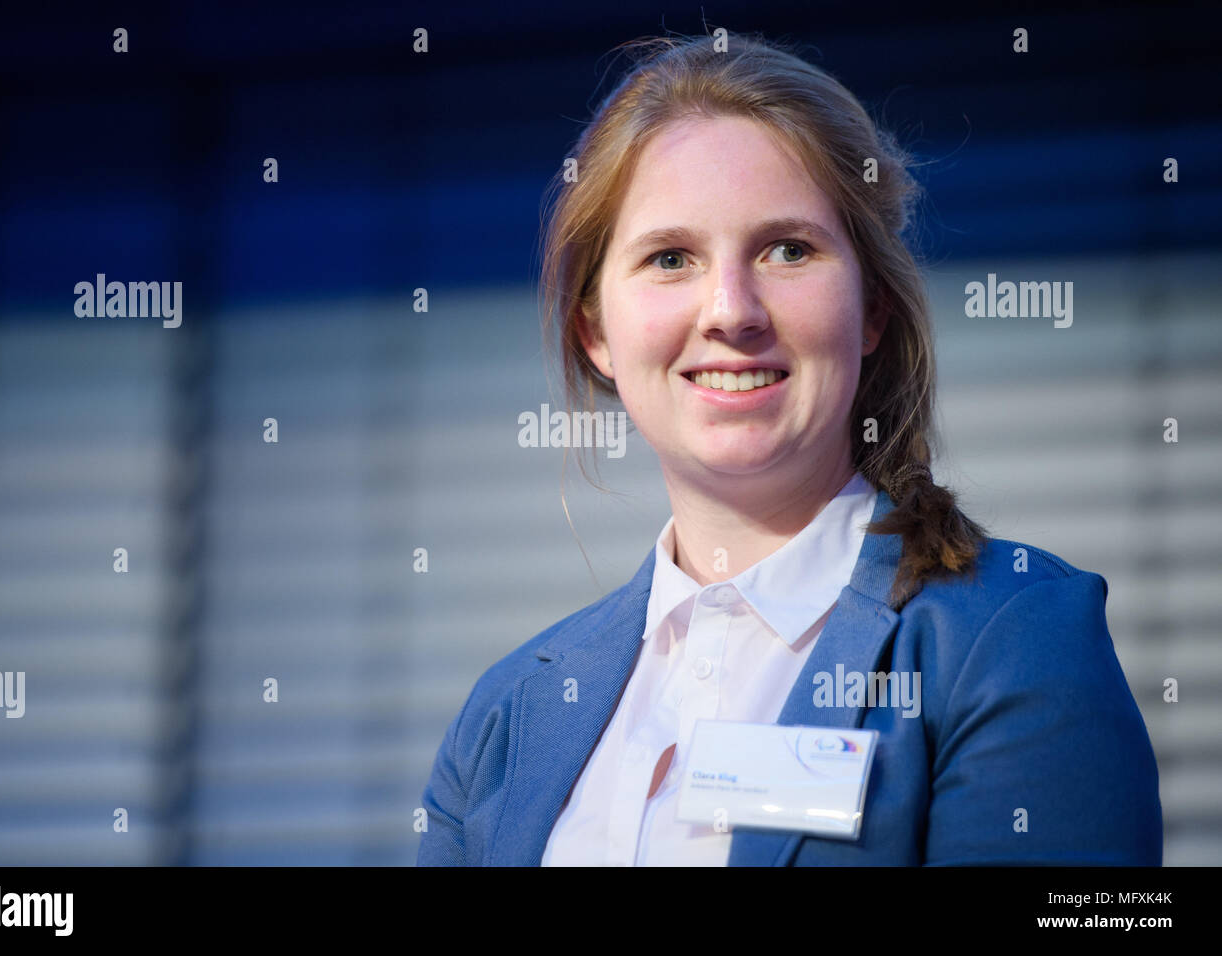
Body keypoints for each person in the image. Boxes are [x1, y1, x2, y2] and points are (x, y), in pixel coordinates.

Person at [416, 32, 1161, 866]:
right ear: (595, 332)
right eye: (670, 258)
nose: (731, 310)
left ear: (872, 307)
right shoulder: (506, 715)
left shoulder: (1015, 637)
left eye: (787, 250)